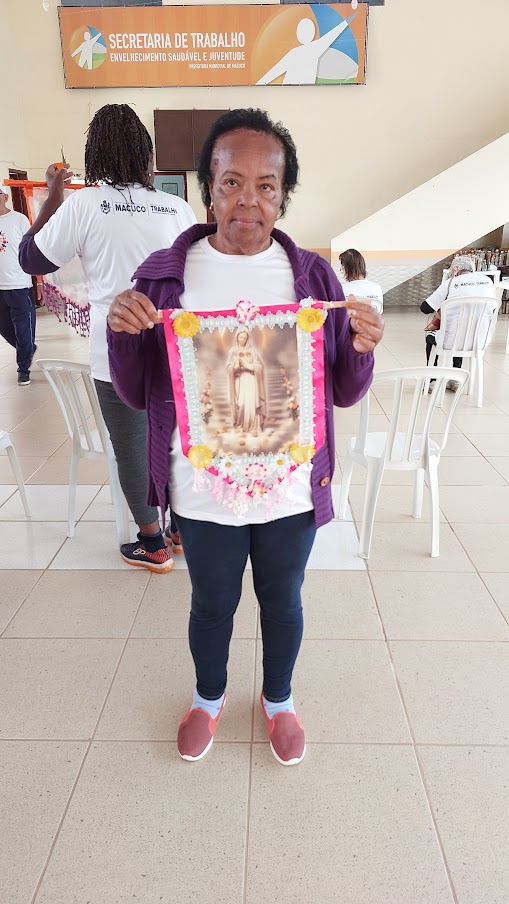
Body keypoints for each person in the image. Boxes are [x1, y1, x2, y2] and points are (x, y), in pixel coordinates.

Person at [107, 108, 384, 766]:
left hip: (290, 484)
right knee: (211, 602)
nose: (247, 200)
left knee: (282, 600)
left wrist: (362, 349)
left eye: (266, 185)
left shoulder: (312, 278)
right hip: (203, 483)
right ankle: (207, 698)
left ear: (283, 195)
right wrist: (122, 335)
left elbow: (344, 390)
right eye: (232, 182)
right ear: (209, 188)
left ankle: (278, 699)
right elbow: (136, 391)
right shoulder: (165, 274)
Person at [19, 103, 196, 572]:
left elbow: (31, 259)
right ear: (144, 152)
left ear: (96, 153)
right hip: (173, 345)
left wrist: (52, 197)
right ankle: (181, 528)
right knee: (175, 438)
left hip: (116, 349)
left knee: (131, 445)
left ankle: (152, 543)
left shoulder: (85, 205)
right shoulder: (177, 208)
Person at [420, 253, 496, 391]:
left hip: (452, 341)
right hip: (480, 341)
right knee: (464, 330)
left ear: (455, 270)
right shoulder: (488, 282)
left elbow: (425, 308)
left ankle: (432, 381)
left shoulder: (450, 283)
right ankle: (456, 380)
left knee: (433, 336)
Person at [0, 187, 36, 386]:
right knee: (5, 328)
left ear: (5, 197)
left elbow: (31, 248)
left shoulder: (19, 220)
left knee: (23, 329)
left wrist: (38, 277)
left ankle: (23, 369)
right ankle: (27, 349)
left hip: (19, 284)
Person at [227, 329, 266, 433]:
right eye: (241, 337)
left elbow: (259, 367)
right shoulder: (233, 351)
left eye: (245, 338)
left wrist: (248, 366)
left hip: (251, 379)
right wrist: (236, 366)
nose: (243, 339)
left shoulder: (252, 351)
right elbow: (229, 367)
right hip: (239, 379)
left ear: (247, 339)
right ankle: (240, 424)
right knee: (241, 403)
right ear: (237, 337)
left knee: (251, 403)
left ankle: (253, 427)